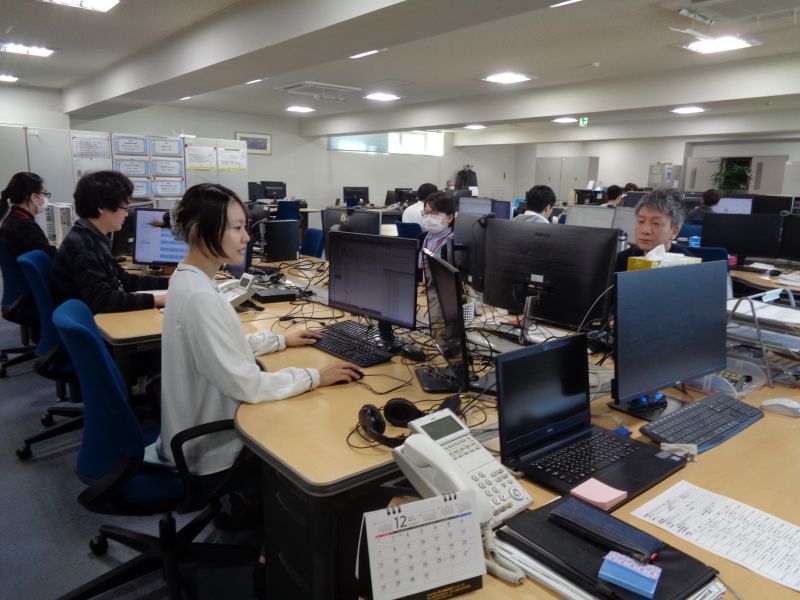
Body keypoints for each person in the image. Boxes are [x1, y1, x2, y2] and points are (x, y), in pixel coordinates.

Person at [153, 183, 360, 474]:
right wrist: (315, 376)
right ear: (200, 233)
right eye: (237, 228)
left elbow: (222, 346)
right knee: (321, 430)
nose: (246, 237)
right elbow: (247, 385)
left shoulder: (186, 277)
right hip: (210, 450)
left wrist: (280, 341)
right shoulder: (199, 297)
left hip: (194, 424)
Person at [52, 170, 169, 313]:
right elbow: (103, 300)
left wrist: (170, 283)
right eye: (124, 208)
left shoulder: (93, 237)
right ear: (102, 207)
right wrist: (158, 300)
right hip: (93, 322)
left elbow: (124, 280)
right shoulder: (85, 249)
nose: (126, 214)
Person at [615, 189, 694, 271]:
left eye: (656, 223)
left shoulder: (688, 266)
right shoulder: (622, 260)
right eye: (641, 221)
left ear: (674, 232)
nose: (645, 231)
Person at [0, 172, 56, 259]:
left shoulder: (11, 219)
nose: (45, 199)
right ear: (33, 197)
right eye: (44, 194)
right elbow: (50, 256)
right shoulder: (25, 225)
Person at [419, 191, 456, 266]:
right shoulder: (421, 238)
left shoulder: (454, 244)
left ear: (449, 217)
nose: (429, 218)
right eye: (426, 212)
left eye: (434, 213)